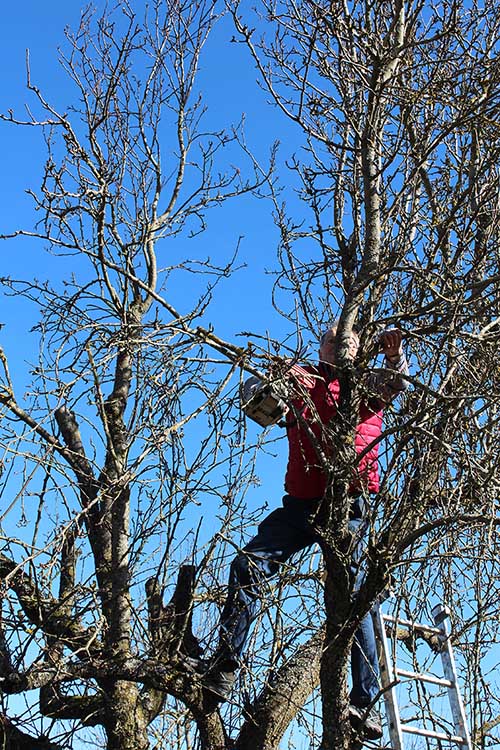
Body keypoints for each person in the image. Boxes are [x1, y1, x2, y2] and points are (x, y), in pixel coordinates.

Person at [201, 324, 409, 738]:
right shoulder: (304, 379)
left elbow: (394, 383)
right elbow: (258, 403)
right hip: (300, 505)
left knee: (356, 595)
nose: (340, 344)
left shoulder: (366, 384)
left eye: (348, 340)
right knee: (248, 565)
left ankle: (364, 705)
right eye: (333, 340)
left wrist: (393, 355)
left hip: (348, 504)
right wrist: (267, 379)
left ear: (357, 349)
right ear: (321, 347)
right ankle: (224, 669)